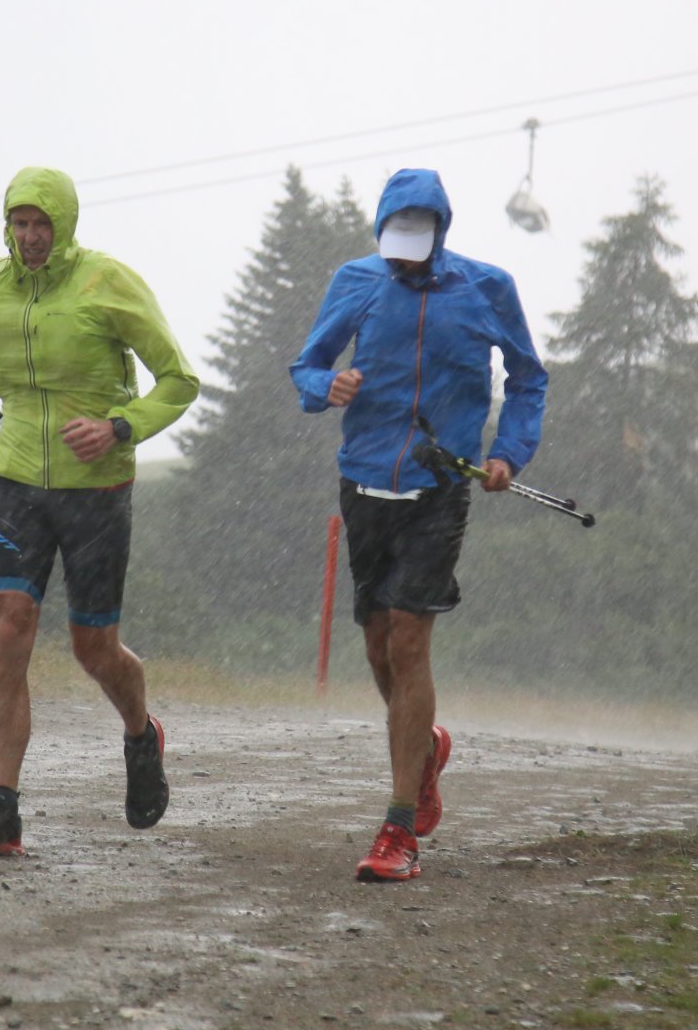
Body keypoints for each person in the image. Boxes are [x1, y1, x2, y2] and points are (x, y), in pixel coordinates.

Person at [0, 165, 199, 856]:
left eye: (42, 224)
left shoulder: (107, 282)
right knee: (7, 628)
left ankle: (141, 733)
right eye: (19, 224)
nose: (30, 236)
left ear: (65, 224)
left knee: (92, 647)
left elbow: (179, 380)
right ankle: (3, 811)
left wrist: (119, 426)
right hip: (16, 480)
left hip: (96, 488)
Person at [289, 167, 548, 882]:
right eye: (393, 245)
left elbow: (529, 377)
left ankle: (398, 828)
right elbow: (306, 367)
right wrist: (327, 386)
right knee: (378, 646)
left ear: (440, 234)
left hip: (440, 487)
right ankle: (425, 750)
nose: (402, 259)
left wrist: (508, 453)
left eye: (415, 244)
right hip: (364, 483)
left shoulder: (487, 287)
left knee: (408, 641)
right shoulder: (356, 281)